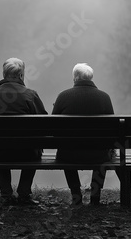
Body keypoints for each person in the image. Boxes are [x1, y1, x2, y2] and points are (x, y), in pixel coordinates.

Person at [0, 57, 47, 206]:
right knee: (34, 146)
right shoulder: (31, 95)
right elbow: (45, 123)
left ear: (4, 74)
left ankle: (6, 194)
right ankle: (23, 193)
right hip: (27, 153)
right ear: (21, 75)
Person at [53, 63, 115, 205]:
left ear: (75, 78)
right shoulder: (104, 97)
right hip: (98, 155)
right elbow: (112, 129)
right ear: (91, 78)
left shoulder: (63, 96)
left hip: (68, 155)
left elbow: (53, 128)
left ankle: (76, 194)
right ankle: (95, 197)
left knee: (66, 148)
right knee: (103, 149)